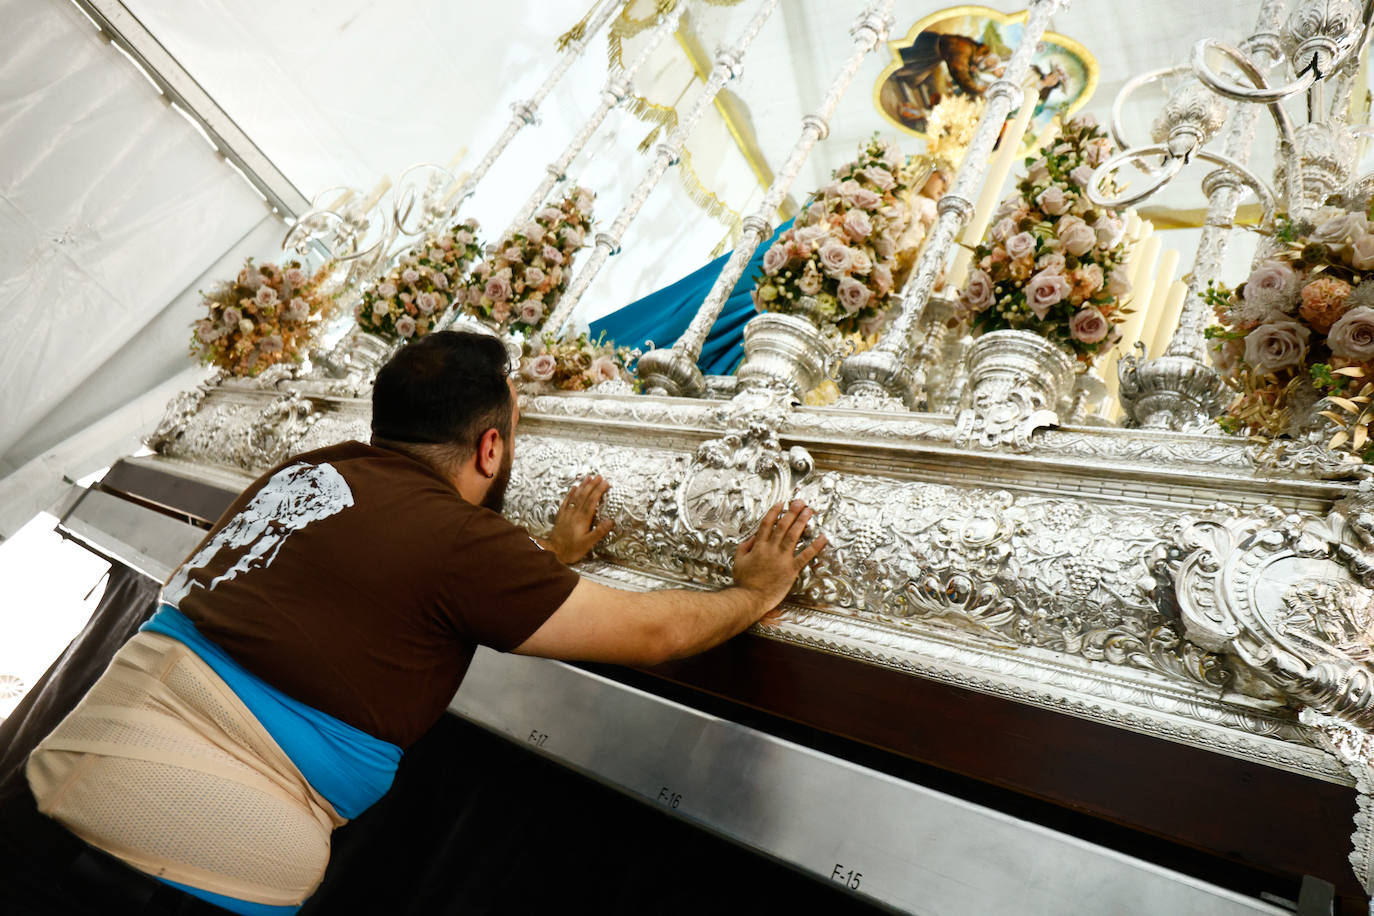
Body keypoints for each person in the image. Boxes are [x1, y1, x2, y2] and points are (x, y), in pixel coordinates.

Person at [0, 330, 826, 916]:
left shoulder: (310, 470)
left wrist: (543, 558)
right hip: (177, 873)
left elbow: (379, 580)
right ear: (492, 448)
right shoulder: (462, 544)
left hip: (40, 797)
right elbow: (655, 635)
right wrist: (754, 592)